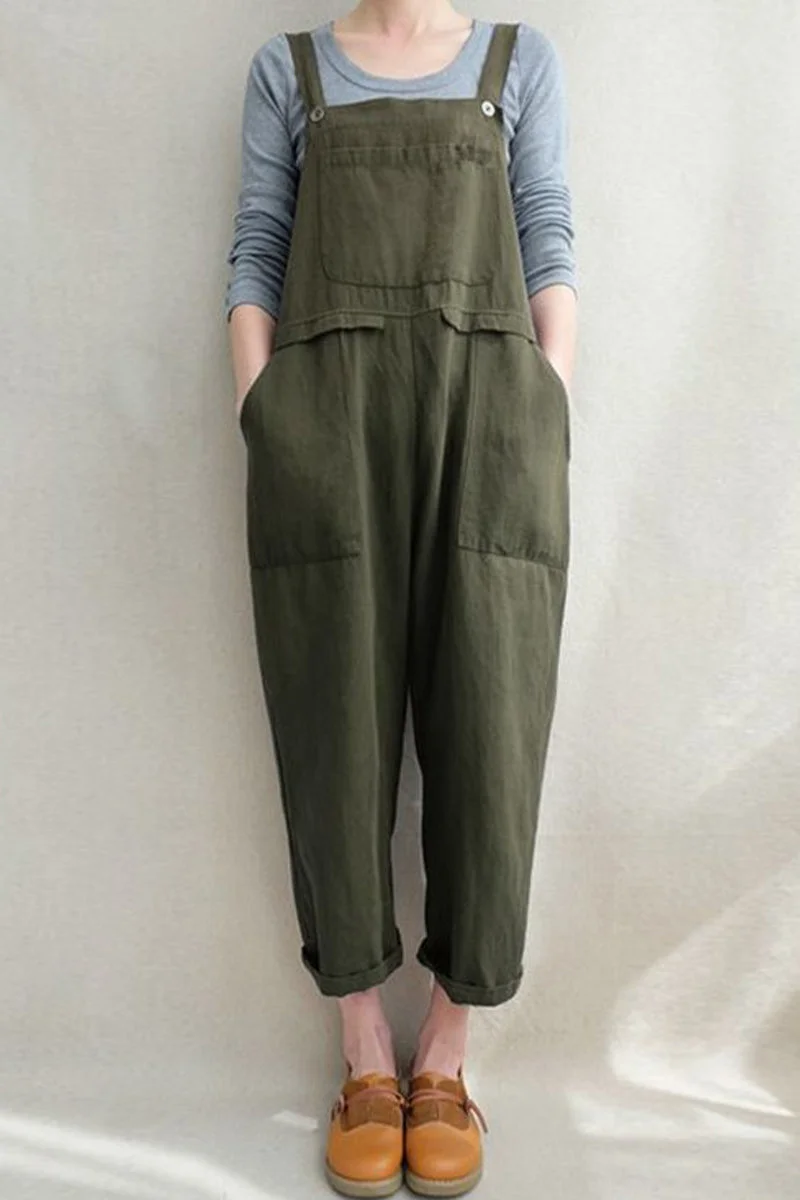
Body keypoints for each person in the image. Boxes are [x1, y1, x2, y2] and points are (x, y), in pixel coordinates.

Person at [224, 3, 577, 1195]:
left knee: (490, 727)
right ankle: (364, 1046)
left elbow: (547, 233)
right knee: (334, 725)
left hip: (491, 427)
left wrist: (544, 403)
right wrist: (264, 417)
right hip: (324, 434)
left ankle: (446, 1054)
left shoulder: (516, 63)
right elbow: (257, 249)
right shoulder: (288, 72)